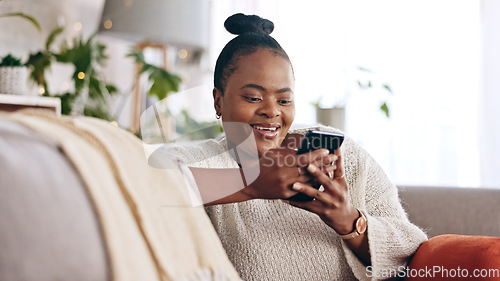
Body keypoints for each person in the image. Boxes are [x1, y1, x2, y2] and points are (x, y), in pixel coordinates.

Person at [162, 13, 427, 281]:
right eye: (253, 97)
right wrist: (249, 184)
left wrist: (350, 222)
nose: (271, 111)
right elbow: (142, 187)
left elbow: (409, 249)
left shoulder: (338, 153)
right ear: (218, 101)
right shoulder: (193, 160)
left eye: (285, 100)